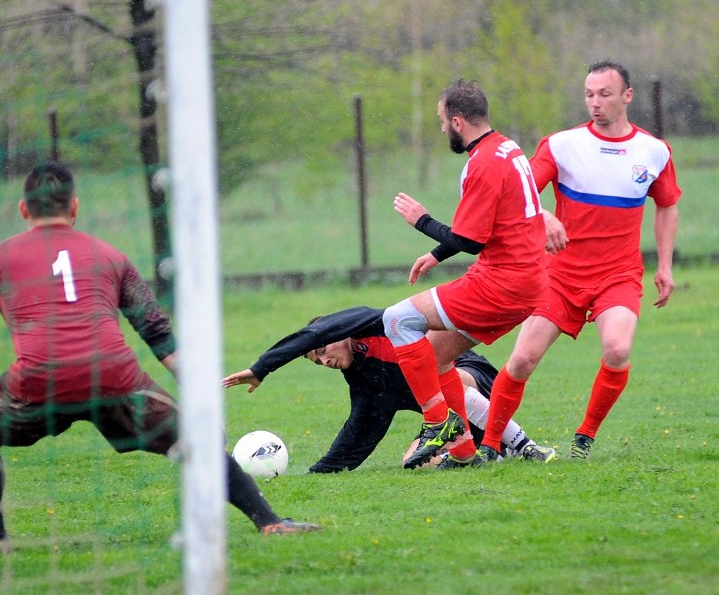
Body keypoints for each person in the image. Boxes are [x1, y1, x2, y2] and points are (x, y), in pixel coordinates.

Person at [0, 162, 320, 555]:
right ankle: (270, 523)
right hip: (114, 376)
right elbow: (158, 334)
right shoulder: (110, 255)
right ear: (74, 206)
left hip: (39, 378)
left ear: (23, 210)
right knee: (198, 443)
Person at [479, 61, 681, 460]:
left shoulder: (654, 151)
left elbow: (668, 205)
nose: (595, 102)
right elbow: (520, 191)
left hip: (618, 274)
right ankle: (489, 445)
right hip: (560, 273)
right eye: (589, 94)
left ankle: (584, 439)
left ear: (627, 96)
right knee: (522, 359)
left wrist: (665, 265)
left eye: (604, 94)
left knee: (618, 349)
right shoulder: (562, 145)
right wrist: (545, 214)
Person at [379, 79, 548, 470]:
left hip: (500, 283)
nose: (441, 130)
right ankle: (463, 452)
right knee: (436, 356)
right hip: (527, 282)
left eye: (441, 122)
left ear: (457, 122)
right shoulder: (507, 148)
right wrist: (438, 253)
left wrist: (421, 220)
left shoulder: (483, 163)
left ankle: (438, 425)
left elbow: (471, 241)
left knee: (396, 320)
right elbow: (488, 226)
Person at [221, 306, 555, 473]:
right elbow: (357, 433)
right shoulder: (366, 384)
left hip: (470, 375)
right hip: (446, 421)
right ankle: (484, 449)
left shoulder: (374, 323)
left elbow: (315, 332)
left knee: (444, 378)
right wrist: (320, 473)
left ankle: (520, 442)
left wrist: (263, 366)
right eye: (316, 361)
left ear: (341, 333)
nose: (324, 360)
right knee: (413, 462)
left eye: (322, 351)